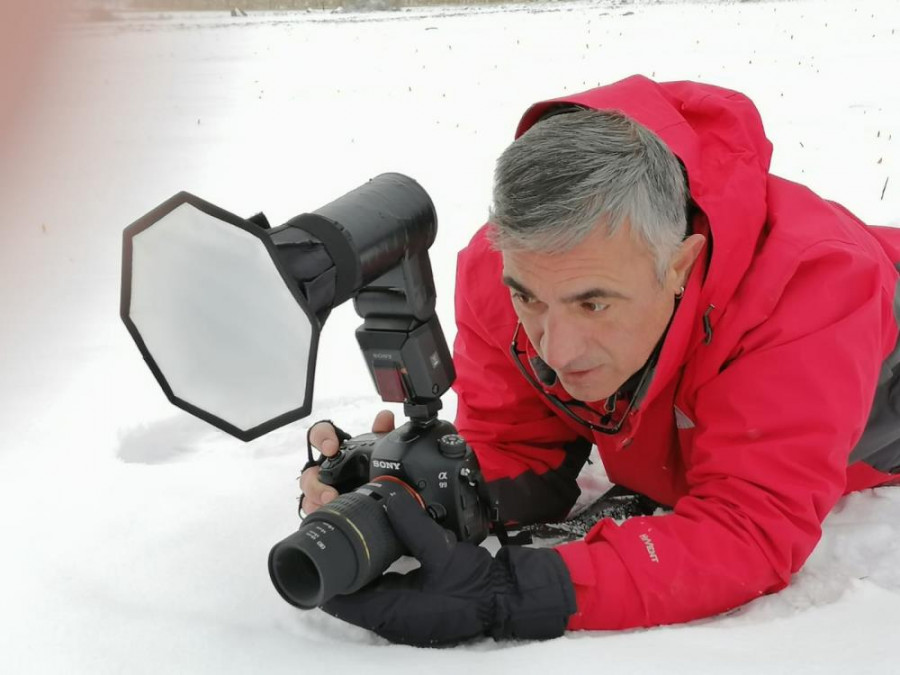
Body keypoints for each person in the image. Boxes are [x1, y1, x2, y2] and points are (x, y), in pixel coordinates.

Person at [299, 75, 900, 646]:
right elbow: (519, 445)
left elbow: (748, 530)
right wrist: (406, 486)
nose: (556, 351)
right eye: (529, 299)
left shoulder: (809, 289)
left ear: (680, 265)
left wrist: (508, 594)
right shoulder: (511, 267)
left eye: (594, 304)